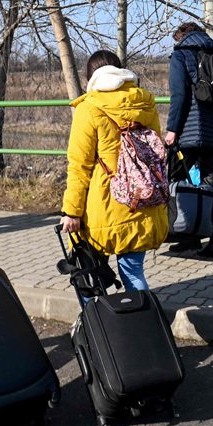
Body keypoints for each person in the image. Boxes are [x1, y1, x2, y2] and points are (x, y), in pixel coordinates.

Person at [59, 50, 168, 291]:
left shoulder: (89, 108)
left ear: (90, 78)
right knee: (133, 273)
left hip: (104, 207)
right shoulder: (145, 102)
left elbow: (79, 166)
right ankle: (146, 324)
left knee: (89, 277)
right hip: (143, 201)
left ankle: (97, 324)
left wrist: (72, 212)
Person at [164, 21, 213, 260]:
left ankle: (186, 236)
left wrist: (172, 129)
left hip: (189, 131)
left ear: (181, 37)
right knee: (211, 186)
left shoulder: (180, 56)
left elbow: (179, 96)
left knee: (173, 179)